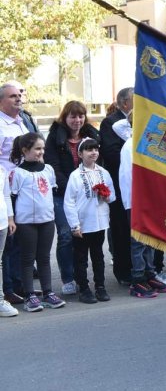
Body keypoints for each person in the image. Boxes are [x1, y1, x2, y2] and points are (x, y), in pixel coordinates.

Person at [43, 101, 101, 297]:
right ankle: (68, 278)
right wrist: (72, 188)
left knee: (88, 234)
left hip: (88, 194)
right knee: (67, 234)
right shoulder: (55, 137)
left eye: (80, 116)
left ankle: (89, 278)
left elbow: (99, 163)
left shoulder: (92, 135)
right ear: (65, 118)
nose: (77, 120)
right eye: (72, 116)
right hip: (63, 192)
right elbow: (53, 166)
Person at [113, 118, 166, 298]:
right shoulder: (131, 144)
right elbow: (130, 177)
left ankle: (149, 274)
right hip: (137, 200)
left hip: (150, 199)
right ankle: (137, 279)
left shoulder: (147, 141)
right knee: (138, 242)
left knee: (150, 239)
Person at [9, 132, 64, 311]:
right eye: (37, 149)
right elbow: (13, 197)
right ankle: (29, 295)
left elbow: (51, 192)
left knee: (44, 258)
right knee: (27, 258)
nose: (41, 152)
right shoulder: (17, 173)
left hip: (47, 220)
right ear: (25, 150)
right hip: (26, 222)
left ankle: (48, 292)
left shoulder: (48, 169)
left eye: (43, 148)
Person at [63, 137, 114, 303]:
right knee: (81, 258)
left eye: (96, 149)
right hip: (83, 224)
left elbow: (113, 196)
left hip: (99, 223)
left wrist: (106, 196)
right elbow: (69, 202)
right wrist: (74, 224)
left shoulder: (103, 173)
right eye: (89, 149)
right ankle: (84, 288)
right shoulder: (75, 176)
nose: (94, 152)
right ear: (80, 153)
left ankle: (100, 286)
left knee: (98, 256)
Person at [1, 82, 37, 303]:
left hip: (26, 187)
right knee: (10, 243)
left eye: (19, 95)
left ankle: (22, 285)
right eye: (13, 96)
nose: (18, 98)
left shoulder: (22, 121)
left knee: (24, 241)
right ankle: (9, 288)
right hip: (7, 190)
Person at [99, 87, 134, 286]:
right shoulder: (110, 122)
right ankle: (124, 271)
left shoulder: (143, 119)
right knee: (120, 228)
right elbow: (111, 153)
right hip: (120, 184)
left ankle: (143, 267)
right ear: (125, 103)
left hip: (139, 185)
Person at [0, 186, 14, 316]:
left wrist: (10, 218)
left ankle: (0, 301)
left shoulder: (2, 170)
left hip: (2, 222)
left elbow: (5, 195)